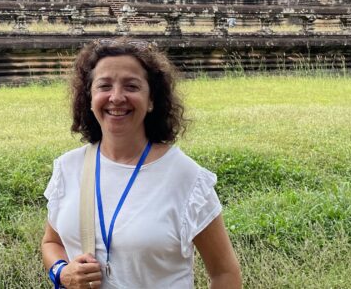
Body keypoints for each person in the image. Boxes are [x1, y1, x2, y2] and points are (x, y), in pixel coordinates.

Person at [41, 38, 241, 289]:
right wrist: (61, 272)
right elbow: (52, 243)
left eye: (131, 86)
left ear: (151, 100)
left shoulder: (186, 178)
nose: (116, 97)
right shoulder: (69, 167)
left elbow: (225, 273)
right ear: (89, 99)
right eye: (104, 86)